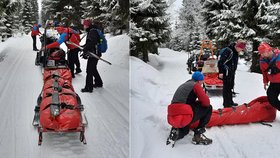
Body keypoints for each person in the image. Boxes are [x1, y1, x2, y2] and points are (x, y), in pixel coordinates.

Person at [167, 71, 213, 145]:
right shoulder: (196, 85)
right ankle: (198, 135)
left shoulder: (184, 85)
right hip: (184, 113)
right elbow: (206, 102)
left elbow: (184, 100)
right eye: (202, 80)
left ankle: (176, 131)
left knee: (185, 131)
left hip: (173, 115)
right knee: (208, 108)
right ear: (199, 80)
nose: (203, 82)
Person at [218, 39, 246, 107]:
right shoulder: (229, 51)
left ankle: (230, 102)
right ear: (237, 46)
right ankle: (226, 104)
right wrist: (221, 72)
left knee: (230, 87)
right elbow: (220, 62)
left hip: (231, 72)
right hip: (226, 72)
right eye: (240, 49)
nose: (241, 50)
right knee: (226, 88)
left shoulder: (235, 52)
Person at [81, 19, 103, 93]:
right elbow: (89, 42)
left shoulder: (92, 31)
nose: (83, 26)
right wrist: (83, 47)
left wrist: (85, 50)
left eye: (84, 25)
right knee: (93, 69)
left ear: (87, 25)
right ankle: (99, 83)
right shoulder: (92, 30)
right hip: (95, 52)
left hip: (94, 54)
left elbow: (92, 43)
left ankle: (88, 88)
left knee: (89, 70)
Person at [258, 42, 280, 111]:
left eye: (263, 52)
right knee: (271, 98)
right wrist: (265, 82)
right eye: (260, 53)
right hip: (273, 83)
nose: (262, 55)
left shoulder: (279, 56)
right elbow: (264, 72)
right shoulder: (262, 60)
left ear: (269, 50)